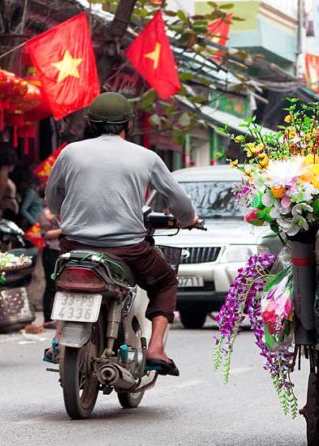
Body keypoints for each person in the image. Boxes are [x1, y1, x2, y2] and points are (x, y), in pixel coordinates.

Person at [45, 92, 198, 375]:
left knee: (65, 277)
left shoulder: (69, 152)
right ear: (129, 123)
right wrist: (188, 219)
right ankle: (156, 348)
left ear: (91, 123)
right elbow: (179, 201)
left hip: (74, 243)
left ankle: (58, 337)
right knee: (165, 281)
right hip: (127, 249)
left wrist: (66, 214)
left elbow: (53, 198)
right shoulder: (146, 156)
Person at [38, 205, 60, 329]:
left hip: (61, 251)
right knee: (51, 284)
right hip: (51, 251)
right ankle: (47, 318)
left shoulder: (62, 210)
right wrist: (64, 230)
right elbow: (45, 234)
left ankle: (56, 316)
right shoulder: (46, 213)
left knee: (58, 285)